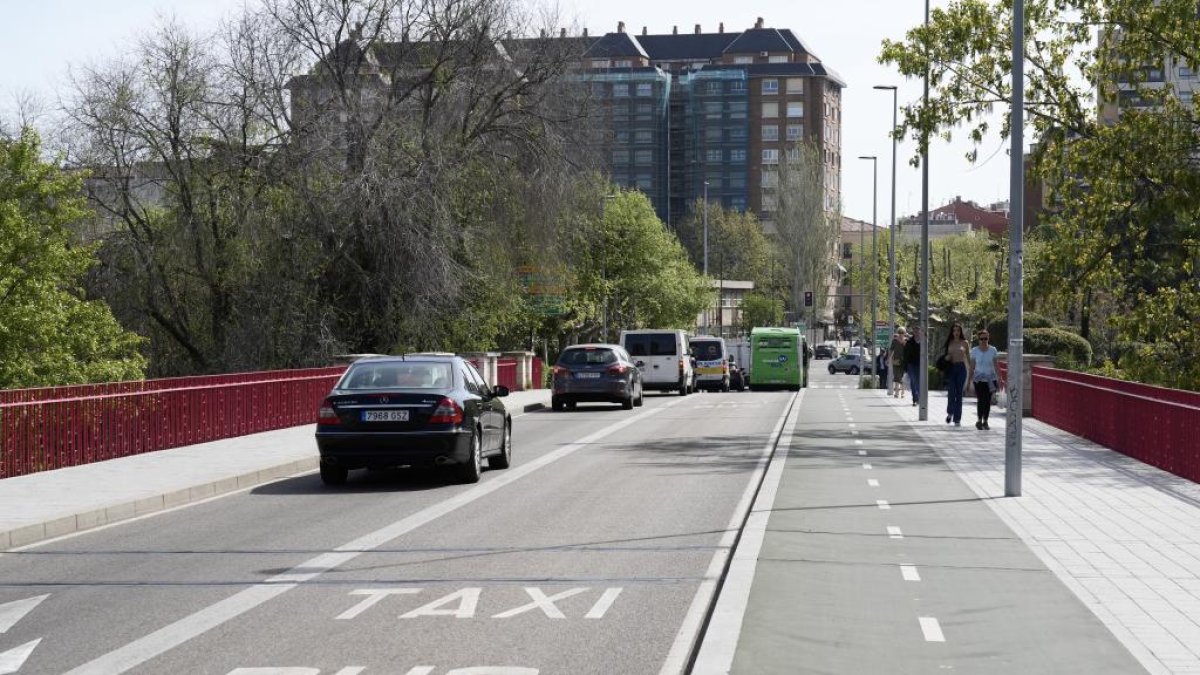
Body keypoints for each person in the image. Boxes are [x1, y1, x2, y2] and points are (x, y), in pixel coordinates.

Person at [968, 329, 1000, 430]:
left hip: (991, 379)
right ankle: (979, 420)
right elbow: (972, 366)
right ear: (978, 339)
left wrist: (1000, 378)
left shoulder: (993, 350)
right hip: (978, 379)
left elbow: (996, 365)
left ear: (988, 338)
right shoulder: (974, 350)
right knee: (980, 400)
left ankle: (985, 420)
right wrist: (969, 381)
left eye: (986, 338)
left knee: (987, 401)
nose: (984, 340)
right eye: (982, 339)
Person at [941, 323, 970, 426]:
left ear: (960, 332)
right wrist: (947, 358)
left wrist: (970, 373)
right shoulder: (949, 342)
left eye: (958, 330)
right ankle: (950, 412)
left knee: (959, 394)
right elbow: (945, 356)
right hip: (951, 369)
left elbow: (968, 358)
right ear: (952, 332)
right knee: (951, 392)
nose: (956, 332)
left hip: (961, 369)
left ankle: (957, 419)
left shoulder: (965, 342)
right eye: (954, 330)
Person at [903, 326, 922, 405]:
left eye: (918, 329)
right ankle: (915, 398)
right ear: (913, 331)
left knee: (918, 381)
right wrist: (905, 366)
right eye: (915, 329)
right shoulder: (909, 341)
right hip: (911, 364)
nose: (916, 331)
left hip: (921, 364)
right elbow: (905, 354)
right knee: (913, 381)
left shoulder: (924, 341)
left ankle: (919, 397)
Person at [890, 328, 908, 398]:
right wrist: (889, 359)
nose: (901, 334)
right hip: (896, 361)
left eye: (902, 333)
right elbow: (891, 350)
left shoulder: (906, 341)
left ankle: (902, 392)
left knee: (901, 376)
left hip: (903, 362)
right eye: (899, 333)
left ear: (904, 333)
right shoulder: (894, 341)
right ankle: (897, 392)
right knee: (896, 376)